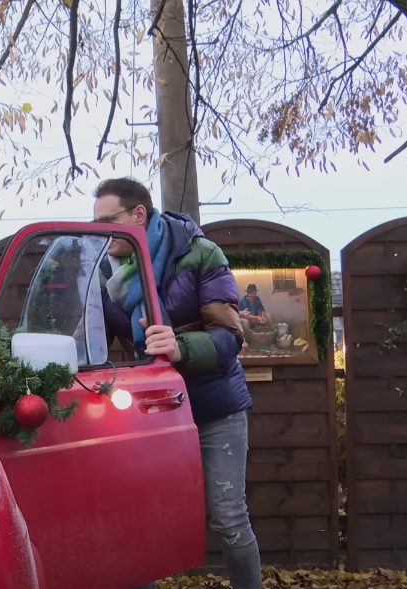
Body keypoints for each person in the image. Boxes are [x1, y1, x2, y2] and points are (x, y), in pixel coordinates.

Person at [92, 177, 262, 589]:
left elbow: (230, 336)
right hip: (150, 410)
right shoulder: (103, 271)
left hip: (214, 406)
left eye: (107, 220)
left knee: (228, 515)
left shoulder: (199, 252)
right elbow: (91, 340)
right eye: (94, 222)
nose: (99, 231)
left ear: (138, 215)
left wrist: (180, 345)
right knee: (140, 515)